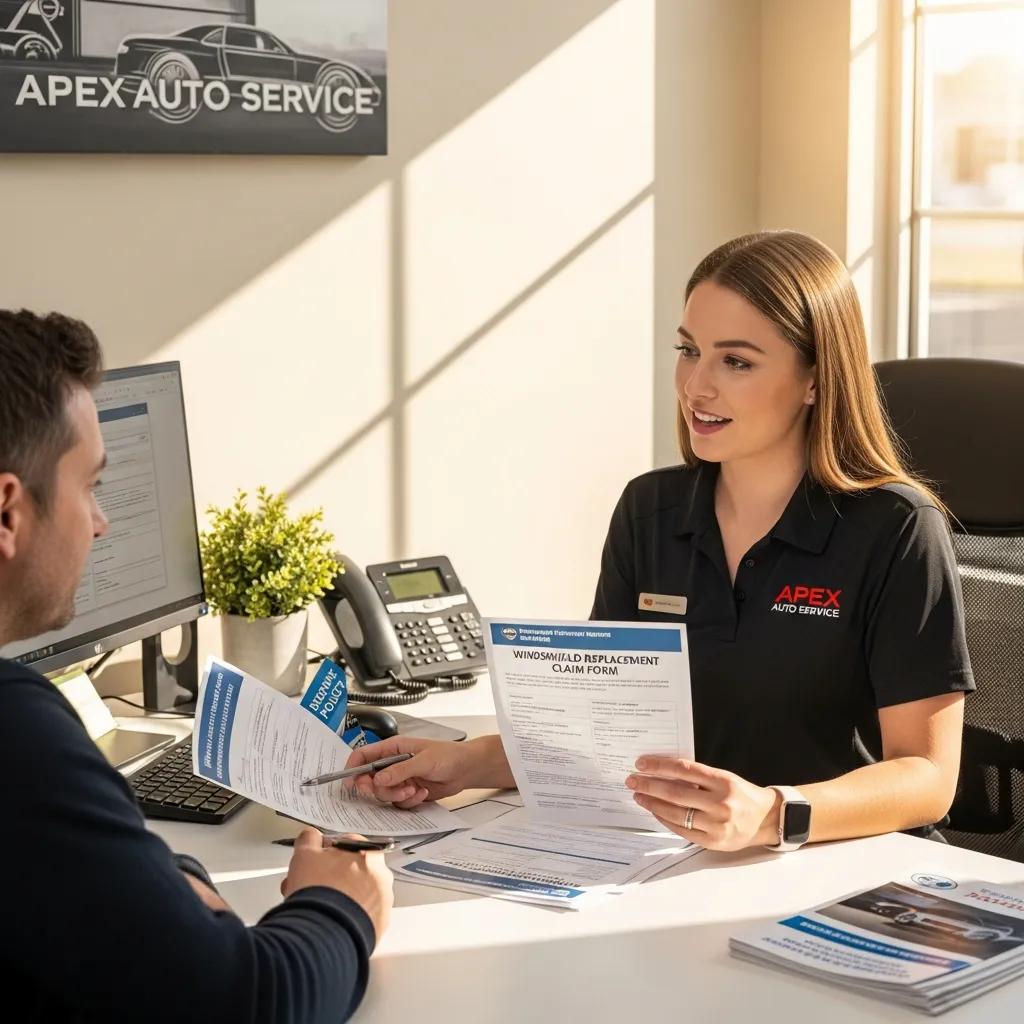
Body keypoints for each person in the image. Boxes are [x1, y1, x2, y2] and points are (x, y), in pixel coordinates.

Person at [345, 231, 974, 853]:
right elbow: (604, 727)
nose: (696, 386)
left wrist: (775, 814)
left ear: (815, 378)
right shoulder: (650, 510)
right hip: (675, 860)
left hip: (838, 865)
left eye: (736, 361)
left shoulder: (896, 528)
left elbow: (927, 778)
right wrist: (468, 763)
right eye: (688, 349)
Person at [0, 310, 393, 1022]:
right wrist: (342, 903)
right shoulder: (16, 735)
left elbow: (78, 875)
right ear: (7, 511)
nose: (100, 523)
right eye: (90, 486)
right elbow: (251, 1001)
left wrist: (166, 880)